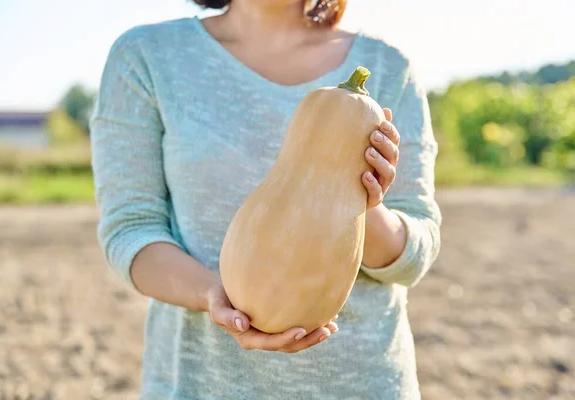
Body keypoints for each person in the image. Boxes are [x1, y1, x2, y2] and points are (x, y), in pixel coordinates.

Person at [90, 0, 442, 398]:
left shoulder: (389, 64)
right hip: (202, 385)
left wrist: (366, 201)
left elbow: (416, 255)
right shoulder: (146, 56)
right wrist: (213, 295)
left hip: (363, 383)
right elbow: (131, 231)